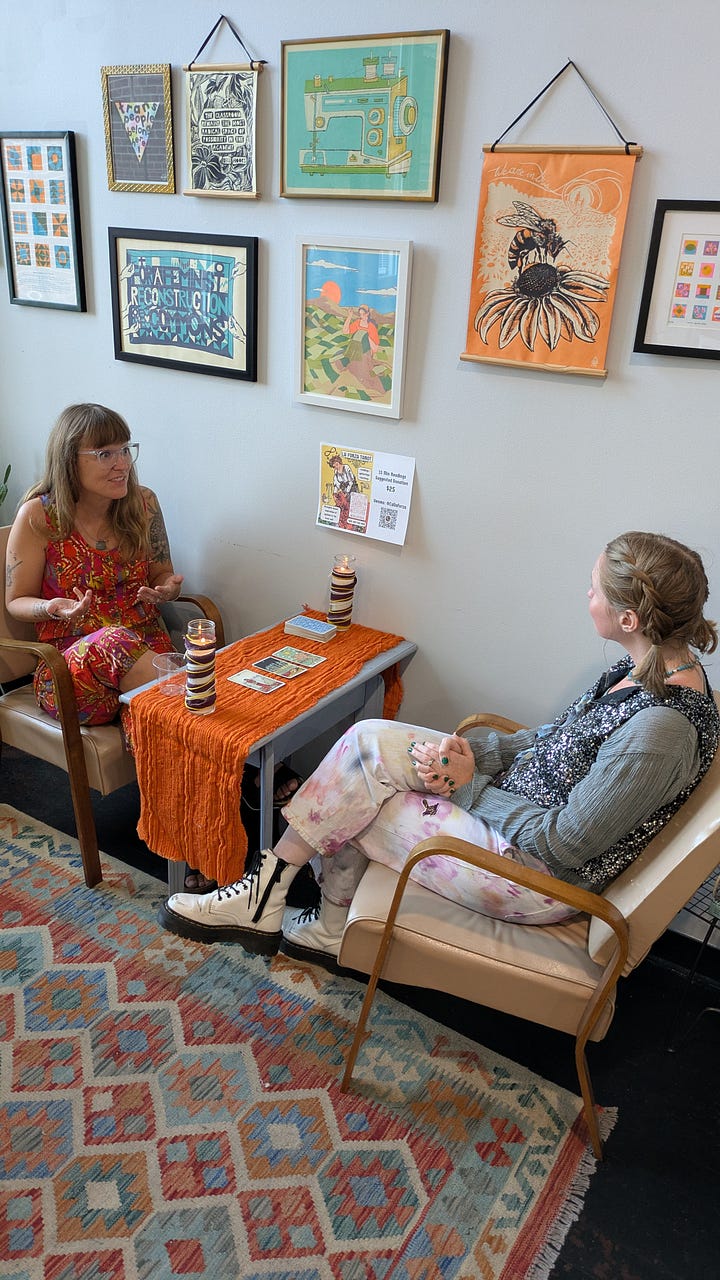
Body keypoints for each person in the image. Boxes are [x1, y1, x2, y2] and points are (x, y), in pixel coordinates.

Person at [158, 531, 720, 968]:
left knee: (361, 785)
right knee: (364, 740)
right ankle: (304, 916)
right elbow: (547, 743)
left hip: (532, 878)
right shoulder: (641, 670)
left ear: (629, 618)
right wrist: (474, 754)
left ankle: (271, 902)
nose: (586, 595)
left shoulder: (661, 731)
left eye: (595, 588)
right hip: (509, 816)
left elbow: (565, 844)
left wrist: (466, 783)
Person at [5, 403, 184, 727]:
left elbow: (162, 573)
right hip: (70, 669)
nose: (122, 464)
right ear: (70, 460)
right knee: (116, 644)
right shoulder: (38, 516)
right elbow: (16, 601)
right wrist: (53, 608)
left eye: (126, 450)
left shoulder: (144, 504)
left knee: (148, 720)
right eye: (105, 454)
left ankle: (239, 773)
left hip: (144, 650)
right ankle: (248, 765)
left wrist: (167, 589)